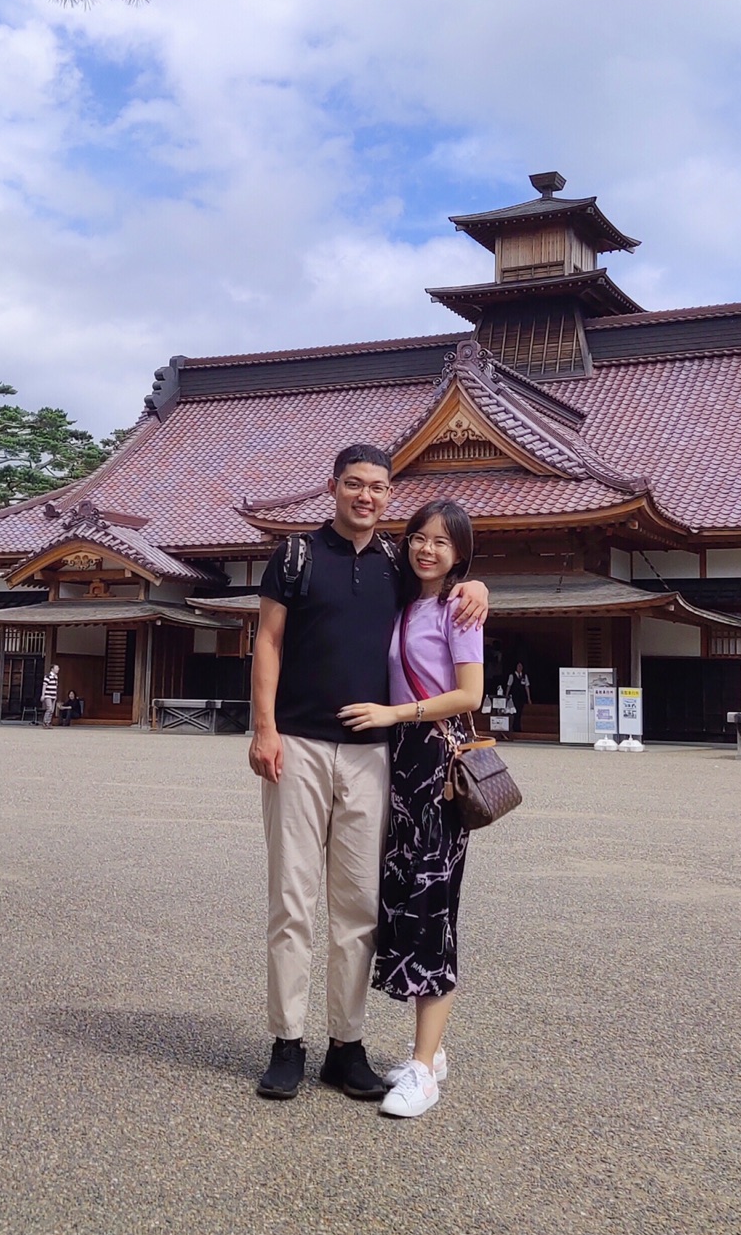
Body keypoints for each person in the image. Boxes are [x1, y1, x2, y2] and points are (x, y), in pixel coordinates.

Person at [249, 444, 489, 1102]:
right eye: (354, 484)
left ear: (389, 497)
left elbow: (447, 584)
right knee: (293, 898)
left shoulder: (396, 567)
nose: (366, 496)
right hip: (296, 742)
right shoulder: (295, 558)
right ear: (333, 487)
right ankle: (286, 1041)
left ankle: (346, 1045)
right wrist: (264, 729)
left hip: (371, 754)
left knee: (357, 904)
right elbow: (267, 641)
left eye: (378, 488)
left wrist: (478, 586)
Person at [340, 499, 484, 1119]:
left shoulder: (459, 607)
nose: (427, 550)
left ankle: (424, 1070)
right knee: (399, 897)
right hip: (398, 762)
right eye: (419, 538)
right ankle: (432, 1050)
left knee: (432, 906)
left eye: (442, 544)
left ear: (459, 555)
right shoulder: (405, 601)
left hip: (434, 764)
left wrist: (396, 714)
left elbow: (470, 694)